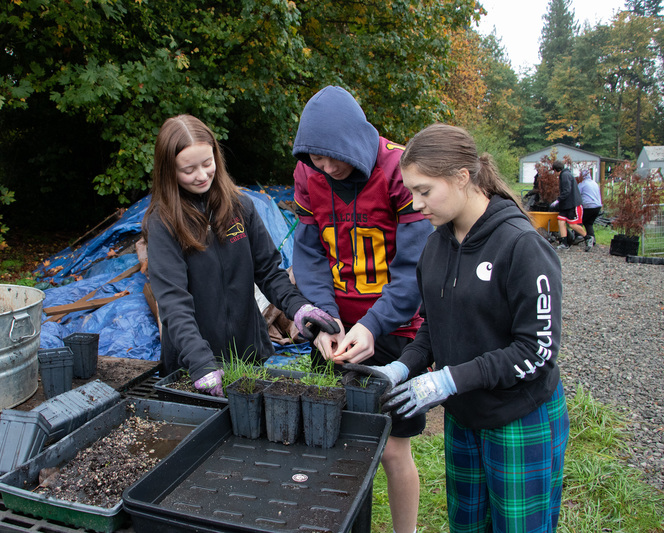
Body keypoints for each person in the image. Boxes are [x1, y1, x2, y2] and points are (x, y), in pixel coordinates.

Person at [354, 123, 570, 532]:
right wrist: (402, 367)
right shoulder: (434, 245)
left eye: (424, 190)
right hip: (464, 417)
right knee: (467, 525)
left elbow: (537, 350)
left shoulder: (522, 246)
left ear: (461, 177)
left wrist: (447, 381)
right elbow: (433, 328)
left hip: (518, 416)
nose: (415, 204)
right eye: (410, 191)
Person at [290, 86, 434, 533]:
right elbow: (310, 254)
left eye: (334, 157)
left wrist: (374, 325)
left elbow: (415, 266)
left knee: (392, 448)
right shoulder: (306, 174)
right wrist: (325, 320)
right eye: (317, 158)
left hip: (396, 326)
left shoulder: (399, 168)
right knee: (328, 435)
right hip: (338, 328)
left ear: (356, 140)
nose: (327, 168)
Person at [142, 114, 339, 395]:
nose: (201, 175)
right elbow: (174, 302)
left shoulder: (240, 207)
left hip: (248, 354)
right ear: (168, 170)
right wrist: (201, 363)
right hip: (193, 365)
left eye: (207, 164)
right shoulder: (164, 223)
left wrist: (299, 308)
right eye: (188, 169)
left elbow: (269, 272)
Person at [550, 160, 587, 250]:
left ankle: (587, 237)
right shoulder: (565, 174)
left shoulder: (565, 175)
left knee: (572, 225)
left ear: (555, 170)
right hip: (566, 205)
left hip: (572, 204)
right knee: (561, 221)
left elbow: (567, 190)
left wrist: (558, 200)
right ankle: (564, 243)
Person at [577, 169, 602, 252]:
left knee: (578, 222)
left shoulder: (582, 184)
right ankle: (592, 239)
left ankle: (579, 237)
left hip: (588, 206)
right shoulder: (595, 183)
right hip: (597, 206)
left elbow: (577, 194)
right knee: (589, 223)